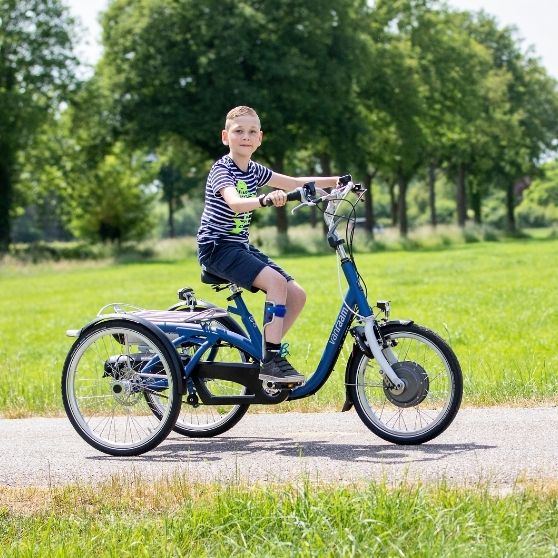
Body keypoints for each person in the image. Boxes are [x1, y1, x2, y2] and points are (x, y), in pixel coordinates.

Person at [197, 105, 339, 386]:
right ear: (226, 137)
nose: (245, 137)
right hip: (217, 247)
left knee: (296, 294)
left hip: (239, 246)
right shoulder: (222, 170)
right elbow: (235, 203)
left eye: (252, 132)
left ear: (260, 138)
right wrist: (265, 200)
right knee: (276, 283)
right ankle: (272, 360)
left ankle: (264, 353)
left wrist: (337, 182)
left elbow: (294, 182)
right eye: (239, 131)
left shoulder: (253, 169)